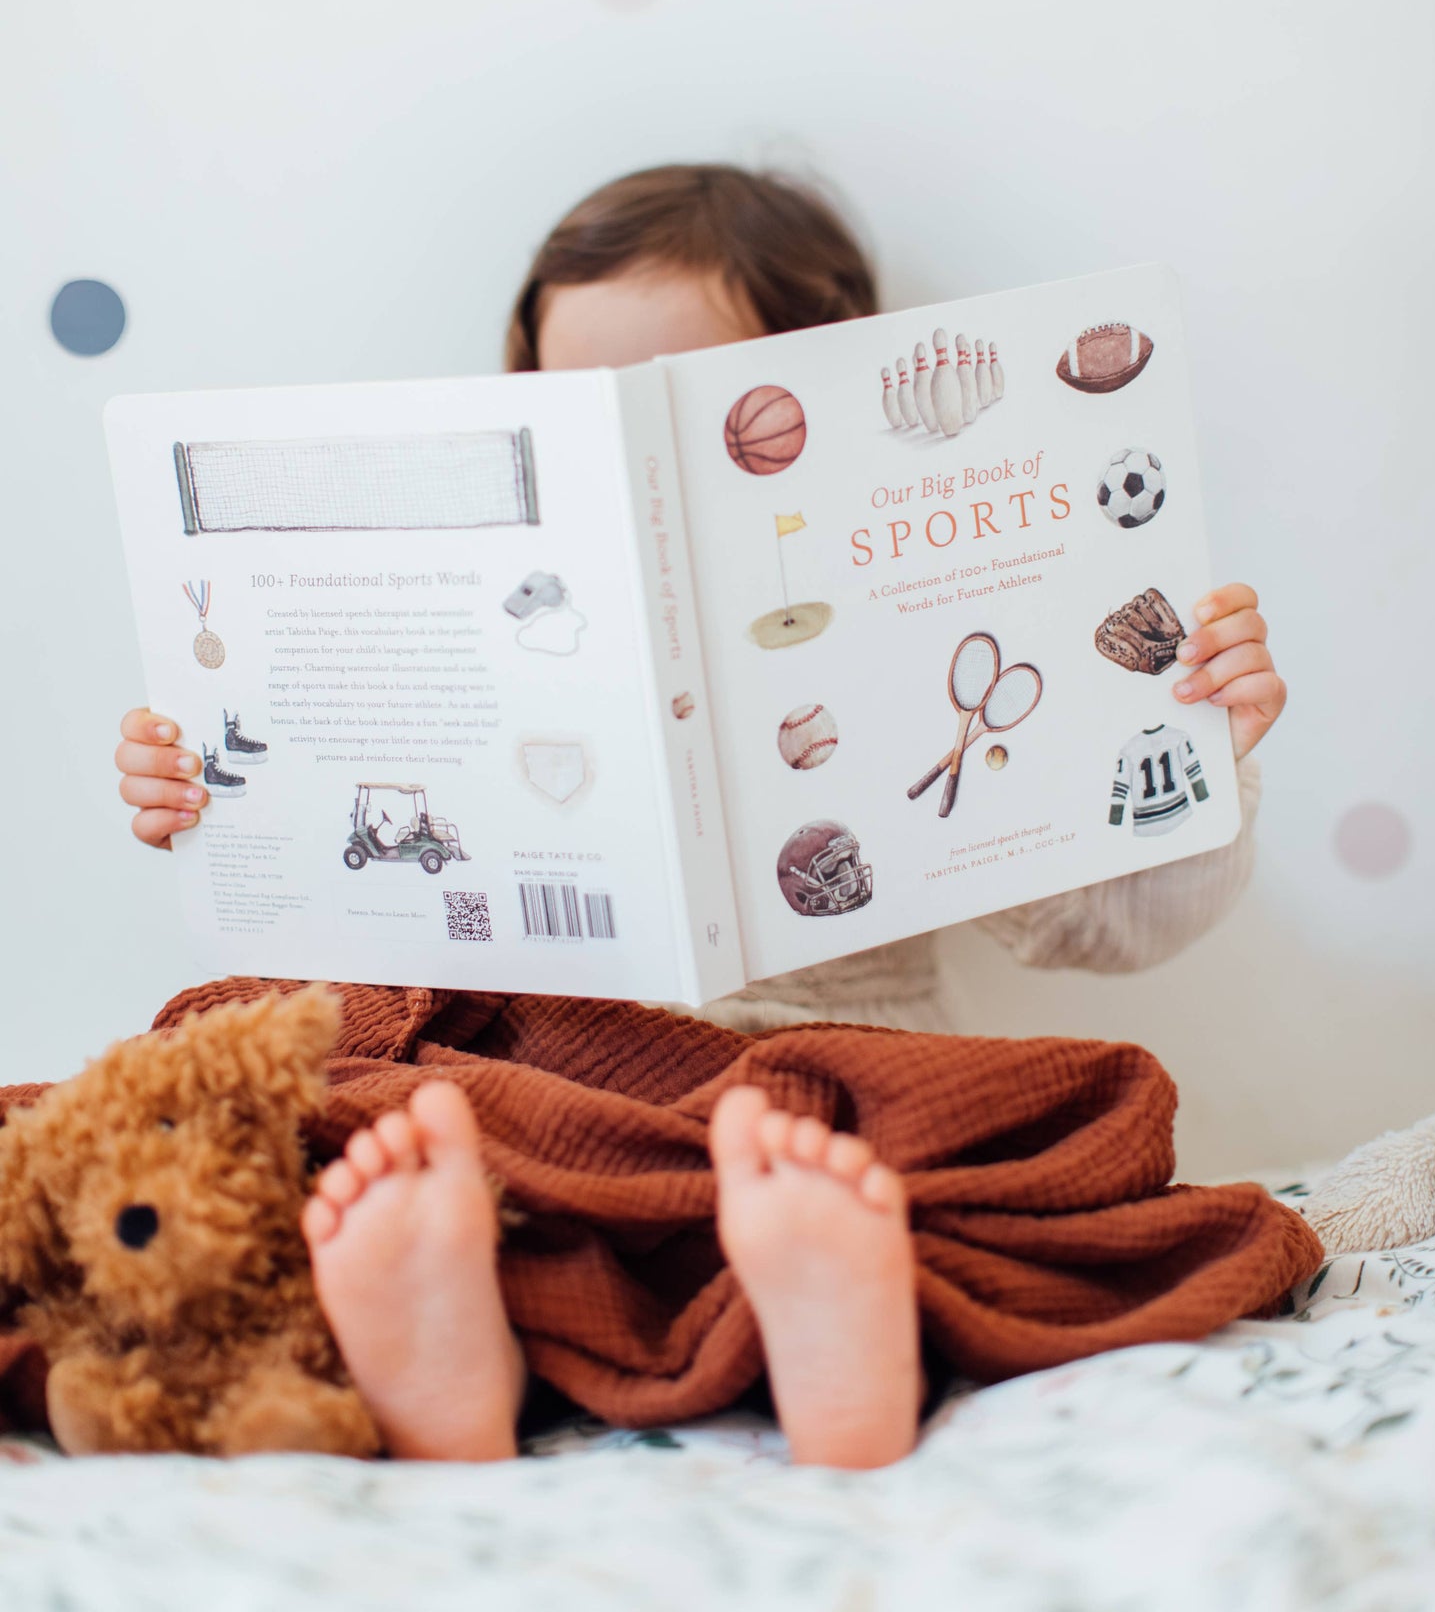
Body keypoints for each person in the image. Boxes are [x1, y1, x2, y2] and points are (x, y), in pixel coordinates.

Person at [112, 163, 1287, 1465]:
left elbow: (1109, 923)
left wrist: (1194, 747)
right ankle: (459, 1344)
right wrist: (216, 804)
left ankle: (822, 1314)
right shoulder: (462, 619)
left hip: (819, 1079)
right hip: (542, 1079)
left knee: (1016, 1131)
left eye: (686, 412)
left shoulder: (928, 615)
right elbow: (348, 888)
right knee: (280, 1094)